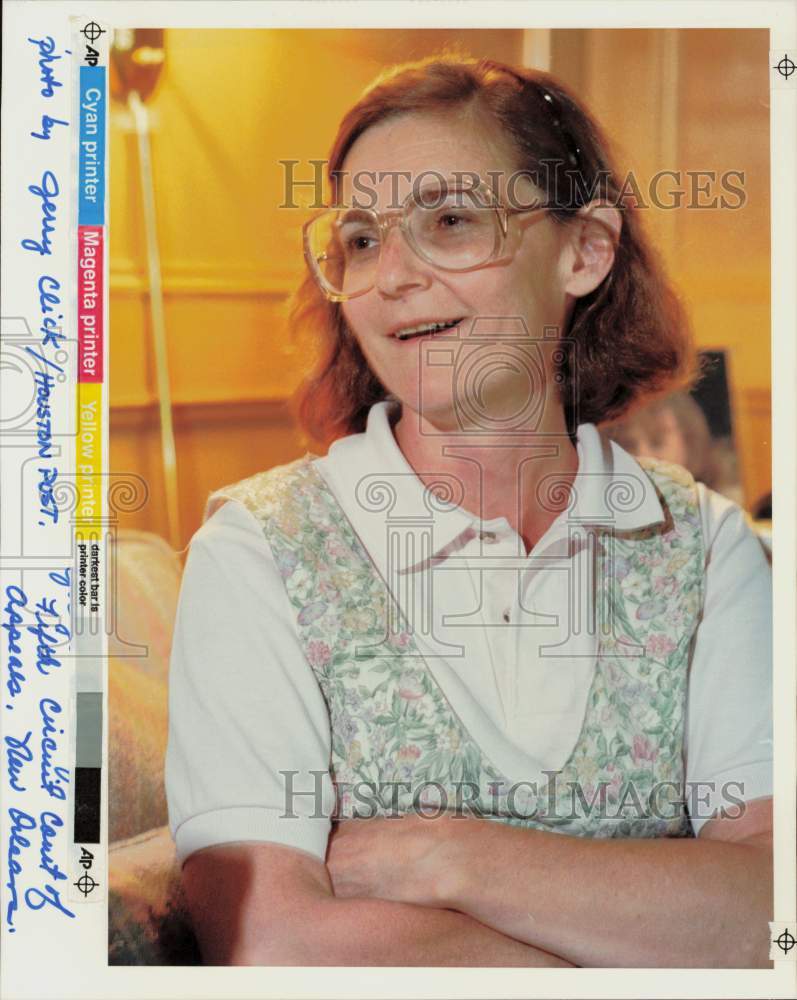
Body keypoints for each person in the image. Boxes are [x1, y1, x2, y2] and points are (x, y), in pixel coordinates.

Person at [165, 56, 773, 968]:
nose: (391, 277)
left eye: (449, 222)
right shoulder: (255, 553)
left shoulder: (707, 547)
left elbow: (773, 915)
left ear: (584, 250)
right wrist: (657, 927)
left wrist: (450, 857)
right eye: (362, 239)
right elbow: (273, 947)